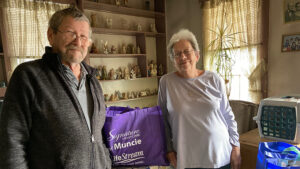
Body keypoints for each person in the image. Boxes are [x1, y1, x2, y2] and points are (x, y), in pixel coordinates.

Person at [0, 7, 112, 169]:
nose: (78, 42)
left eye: (83, 36)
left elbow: (98, 135)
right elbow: (11, 142)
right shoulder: (29, 76)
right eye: (70, 33)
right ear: (51, 35)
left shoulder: (92, 80)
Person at [158, 29, 241, 169]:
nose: (182, 57)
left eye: (186, 51)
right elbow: (162, 119)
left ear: (197, 55)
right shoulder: (166, 82)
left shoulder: (214, 79)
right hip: (185, 159)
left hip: (220, 156)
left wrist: (236, 147)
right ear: (173, 60)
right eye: (177, 54)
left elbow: (227, 114)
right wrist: (169, 150)